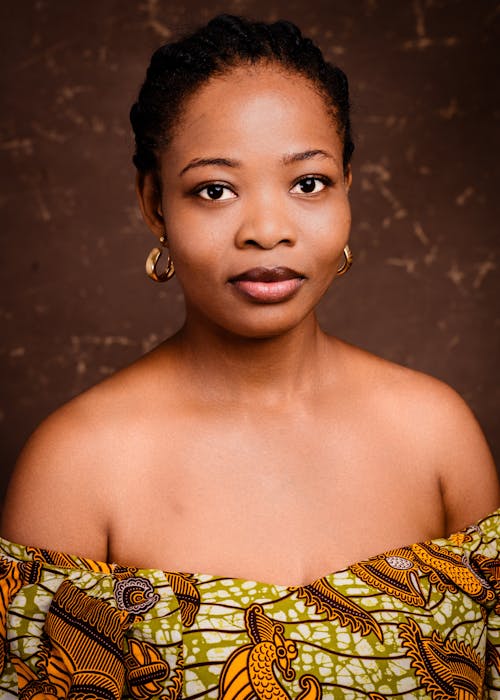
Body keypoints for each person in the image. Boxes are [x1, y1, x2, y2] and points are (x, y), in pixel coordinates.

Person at [0, 14, 498, 699]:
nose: (267, 231)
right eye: (215, 190)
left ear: (349, 184)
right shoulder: (76, 469)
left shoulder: (438, 436)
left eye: (309, 183)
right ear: (154, 203)